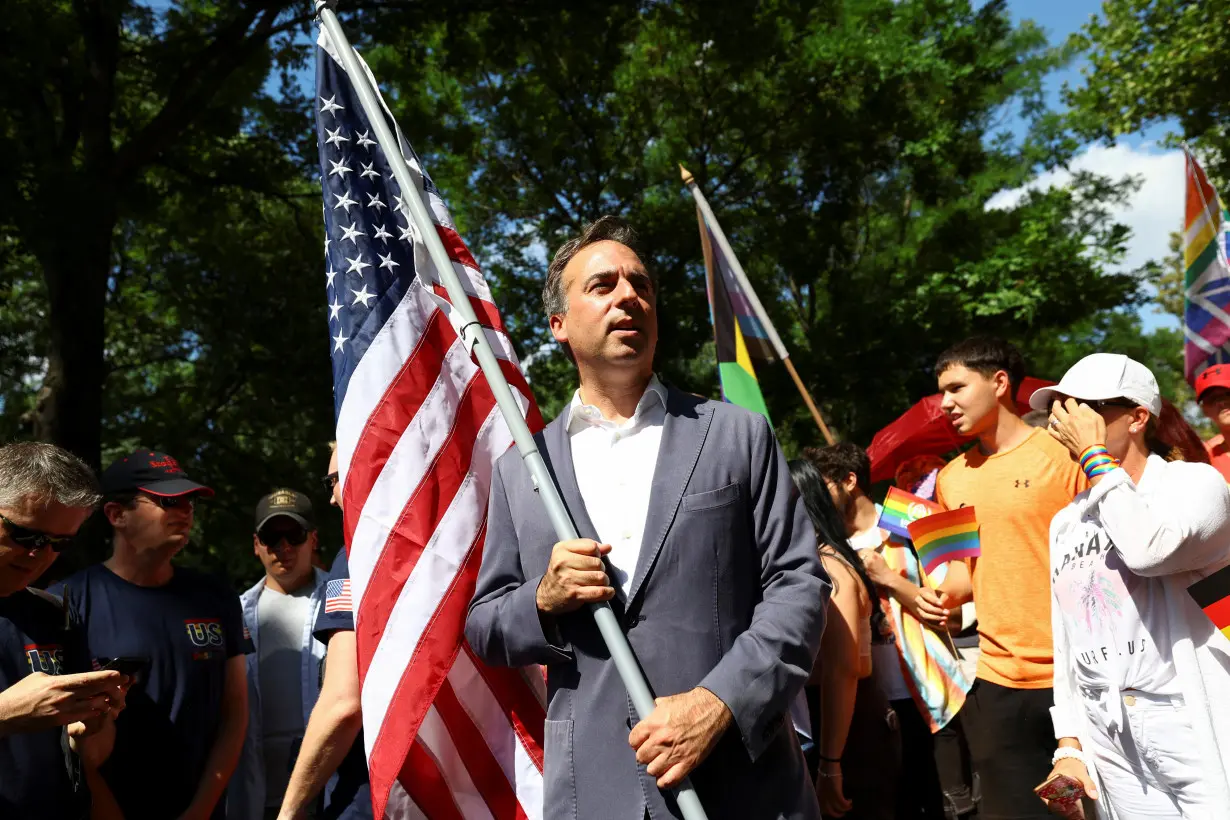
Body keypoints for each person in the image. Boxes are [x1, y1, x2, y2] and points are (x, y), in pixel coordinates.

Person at [465, 216, 829, 820]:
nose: (628, 296)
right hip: (596, 790)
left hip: (743, 784)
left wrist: (719, 703)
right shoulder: (524, 472)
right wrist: (543, 599)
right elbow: (484, 623)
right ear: (558, 324)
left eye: (641, 285)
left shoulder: (735, 434)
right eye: (603, 285)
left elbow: (800, 585)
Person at [1033, 354, 1230, 818]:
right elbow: (1069, 642)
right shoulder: (1067, 520)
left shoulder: (1194, 485)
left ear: (1139, 417)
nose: (1068, 422)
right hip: (1110, 734)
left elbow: (1148, 551)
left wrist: (1094, 456)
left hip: (1189, 718)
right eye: (1061, 409)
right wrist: (1070, 745)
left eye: (1085, 409)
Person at [921, 337, 1086, 820]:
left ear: (999, 383)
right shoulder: (950, 478)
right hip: (997, 682)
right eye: (941, 393)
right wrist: (926, 598)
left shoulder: (1063, 455)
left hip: (1079, 678)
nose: (945, 404)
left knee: (1092, 811)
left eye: (956, 388)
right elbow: (960, 579)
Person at [56, 449, 248, 820]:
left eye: (189, 500)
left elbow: (235, 712)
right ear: (116, 514)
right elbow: (63, 735)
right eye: (168, 500)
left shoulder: (215, 597)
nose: (186, 510)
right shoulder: (65, 602)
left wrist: (201, 809)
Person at [811, 443, 967, 820]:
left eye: (823, 486)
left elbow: (957, 614)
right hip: (871, 713)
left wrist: (890, 580)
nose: (815, 498)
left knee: (953, 808)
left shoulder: (912, 520)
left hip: (934, 699)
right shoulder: (824, 550)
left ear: (850, 481)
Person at [0, 442, 129, 819]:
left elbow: (88, 759)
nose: (39, 554)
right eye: (26, 536)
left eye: (60, 543)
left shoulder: (55, 613)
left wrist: (93, 726)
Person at [789, 458, 899, 820]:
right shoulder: (825, 560)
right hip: (843, 722)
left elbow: (844, 669)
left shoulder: (829, 567)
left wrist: (829, 764)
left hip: (849, 727)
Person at [278, 445, 372, 820]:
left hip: (370, 798)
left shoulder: (359, 556)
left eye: (333, 480)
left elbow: (343, 704)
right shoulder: (460, 544)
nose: (332, 497)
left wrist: (289, 811)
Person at [231, 490, 329, 820]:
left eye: (295, 535)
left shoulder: (345, 603)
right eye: (273, 538)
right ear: (256, 544)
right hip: (256, 799)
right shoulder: (234, 614)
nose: (284, 547)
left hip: (330, 796)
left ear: (313, 539)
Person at [1193, 365, 1230, 481]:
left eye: (1228, 393)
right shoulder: (1204, 461)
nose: (1222, 402)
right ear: (1204, 410)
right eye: (1212, 399)